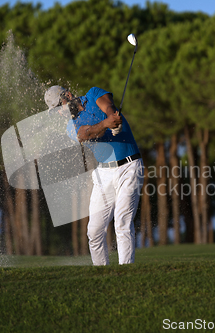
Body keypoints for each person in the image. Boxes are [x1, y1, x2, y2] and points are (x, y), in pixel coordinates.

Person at [44, 85, 144, 265]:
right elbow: (86, 133)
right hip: (103, 173)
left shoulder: (93, 94)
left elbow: (108, 106)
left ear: (68, 95)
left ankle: (126, 273)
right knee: (94, 230)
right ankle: (101, 274)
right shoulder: (71, 125)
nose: (60, 114)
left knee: (122, 221)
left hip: (129, 166)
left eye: (60, 107)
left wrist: (112, 118)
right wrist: (106, 124)